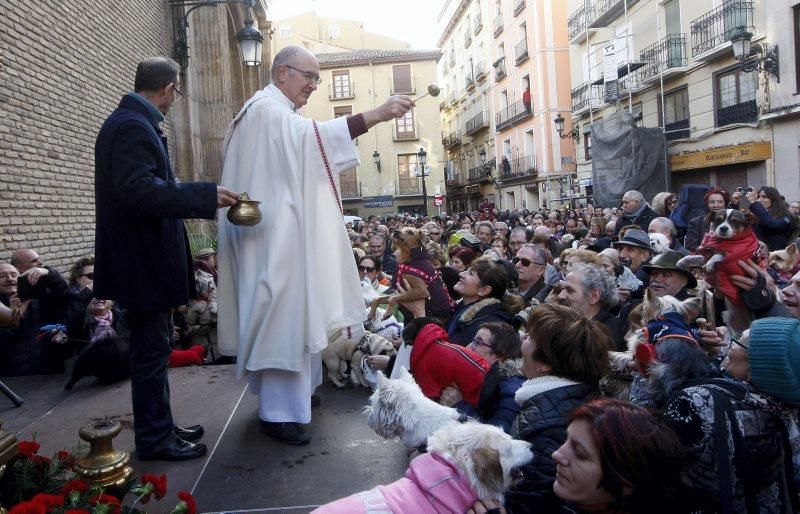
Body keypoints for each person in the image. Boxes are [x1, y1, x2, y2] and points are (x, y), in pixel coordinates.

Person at [217, 45, 414, 446]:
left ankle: (297, 398)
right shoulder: (266, 112)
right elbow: (313, 140)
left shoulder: (274, 112)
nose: (313, 85)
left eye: (317, 78)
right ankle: (278, 413)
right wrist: (375, 115)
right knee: (283, 321)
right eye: (309, 76)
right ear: (282, 72)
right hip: (273, 242)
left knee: (297, 317)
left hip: (279, 236)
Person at [94, 56, 238, 461]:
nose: (175, 99)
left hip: (143, 264)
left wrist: (194, 192)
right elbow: (140, 192)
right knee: (151, 355)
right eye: (177, 91)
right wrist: (202, 195)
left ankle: (161, 426)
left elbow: (149, 185)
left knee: (155, 352)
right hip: (142, 265)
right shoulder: (131, 127)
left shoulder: (132, 123)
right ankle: (155, 440)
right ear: (168, 88)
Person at [504, 303, 612, 513]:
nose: (522, 339)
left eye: (530, 337)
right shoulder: (564, 399)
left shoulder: (550, 429)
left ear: (545, 365)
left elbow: (530, 503)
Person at [439, 321, 524, 434]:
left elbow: (495, 437)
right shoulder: (482, 375)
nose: (469, 346)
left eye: (478, 342)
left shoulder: (512, 390)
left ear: (499, 355)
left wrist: (459, 406)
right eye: (473, 340)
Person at [447, 257, 521, 346]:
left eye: (470, 274)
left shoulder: (483, 327)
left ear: (484, 290)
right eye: (467, 270)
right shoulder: (463, 308)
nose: (461, 274)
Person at [558, 263, 622, 349]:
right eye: (562, 289)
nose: (560, 296)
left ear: (594, 296)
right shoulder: (568, 322)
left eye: (570, 290)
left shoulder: (603, 336)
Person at [746, 186, 798, 251]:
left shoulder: (786, 217)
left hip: (775, 257)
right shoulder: (756, 215)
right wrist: (734, 204)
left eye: (764, 197)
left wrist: (754, 203)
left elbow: (772, 225)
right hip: (756, 254)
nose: (759, 200)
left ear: (773, 199)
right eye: (758, 197)